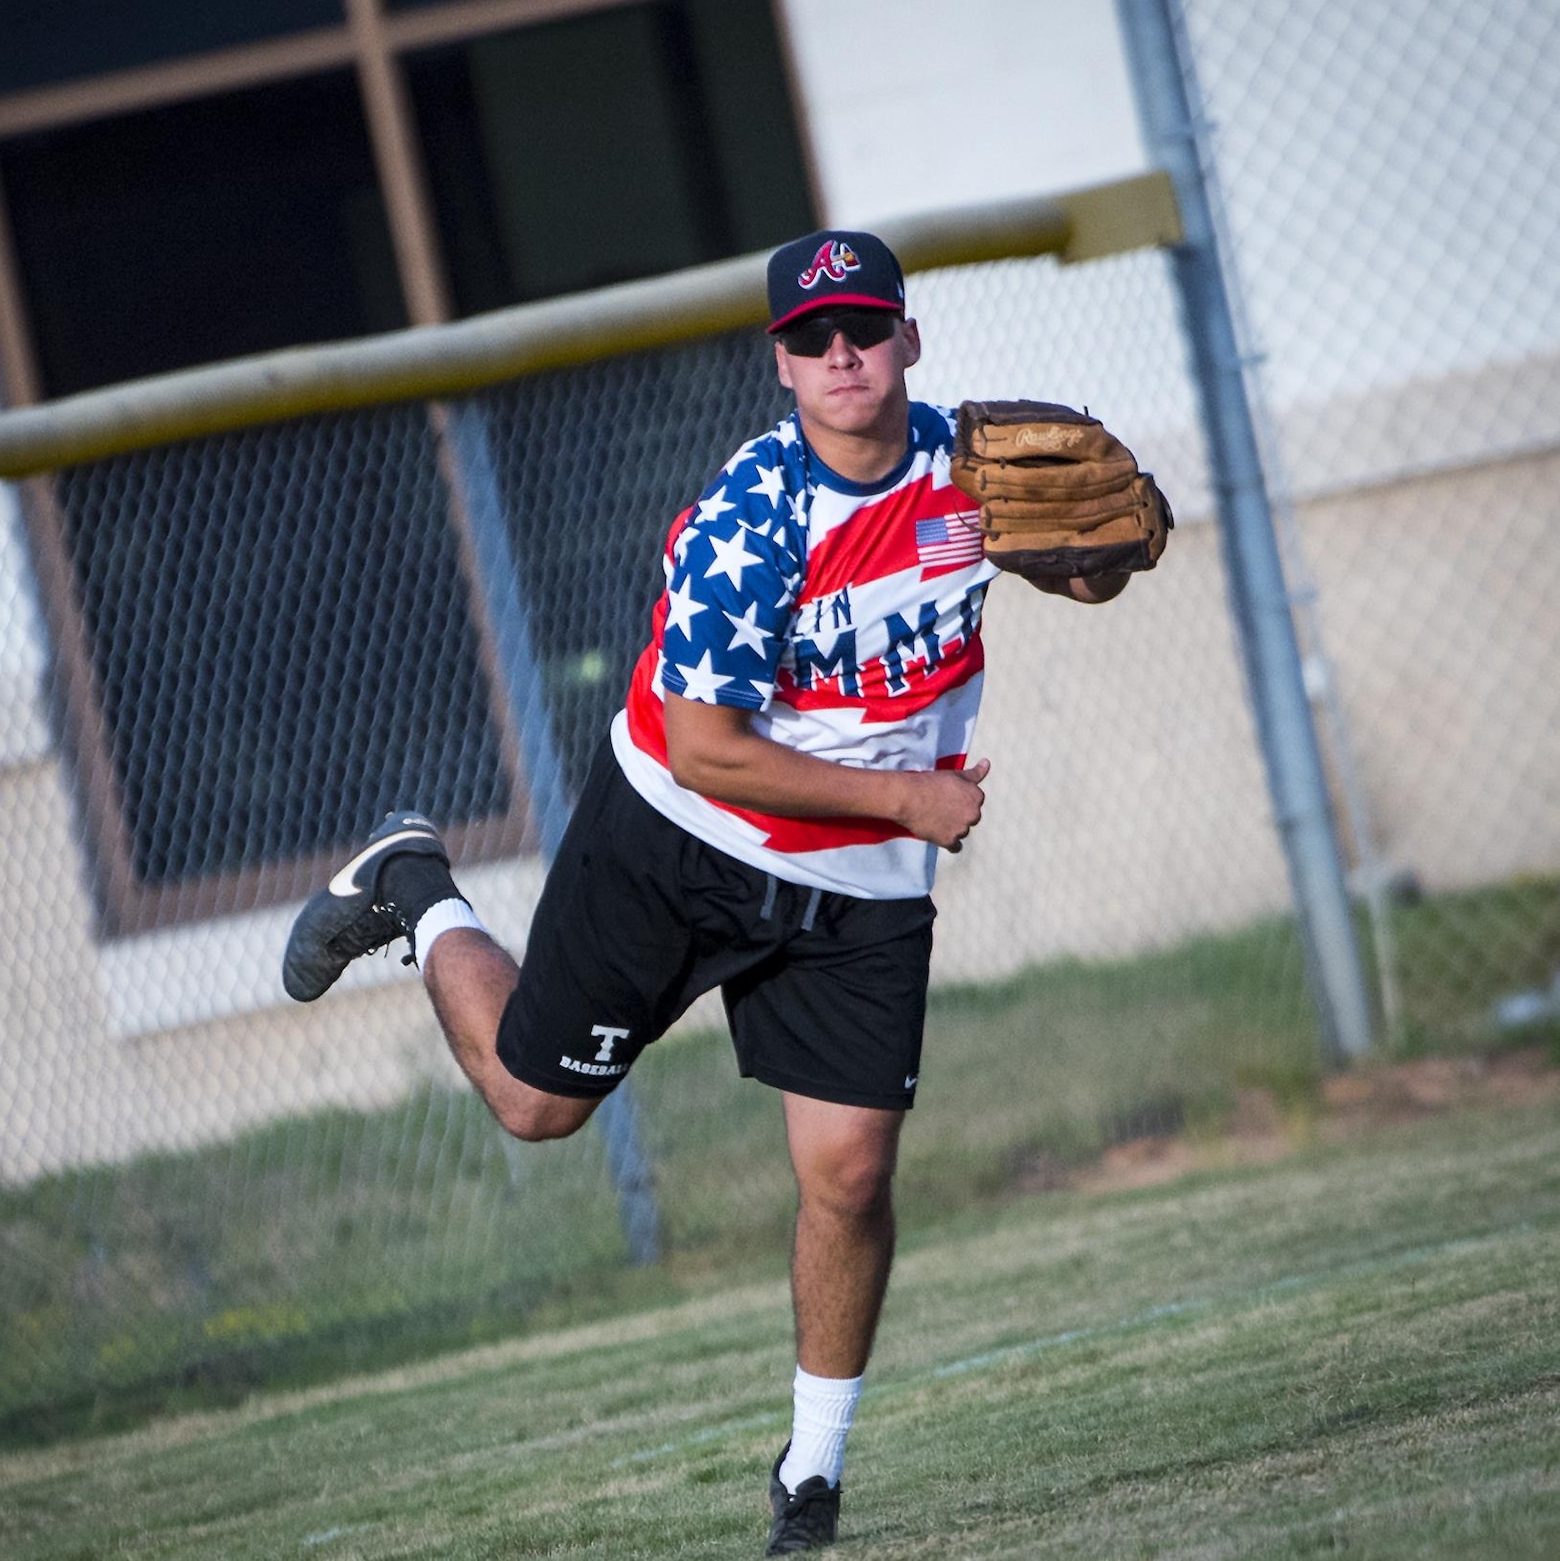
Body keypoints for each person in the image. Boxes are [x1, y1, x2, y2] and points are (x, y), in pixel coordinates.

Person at [283, 229, 1130, 1554]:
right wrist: (915, 799)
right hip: (685, 835)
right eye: (813, 338)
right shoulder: (753, 518)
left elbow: (1101, 544)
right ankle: (415, 882)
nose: (841, 354)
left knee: (848, 1171)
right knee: (533, 1102)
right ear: (780, 365)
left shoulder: (967, 468)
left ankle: (812, 1472)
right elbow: (707, 743)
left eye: (864, 328)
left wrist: (1116, 547)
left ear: (910, 339)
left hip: (855, 881)